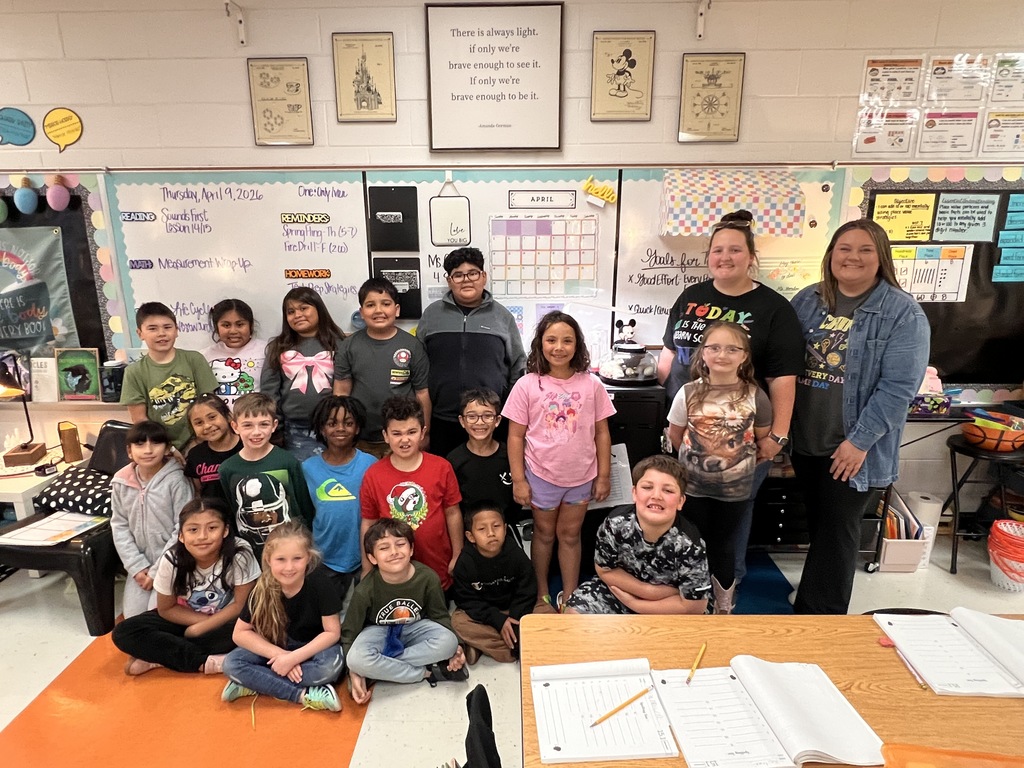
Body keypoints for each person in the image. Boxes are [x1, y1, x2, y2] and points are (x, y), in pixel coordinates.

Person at [656, 210, 804, 585]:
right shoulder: (691, 296)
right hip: (689, 438)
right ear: (709, 256)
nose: (725, 257)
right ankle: (685, 589)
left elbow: (783, 378)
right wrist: (670, 411)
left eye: (735, 249)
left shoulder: (774, 309)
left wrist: (777, 437)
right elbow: (670, 355)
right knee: (685, 517)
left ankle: (724, 597)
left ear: (751, 257)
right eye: (718, 249)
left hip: (739, 444)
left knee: (729, 527)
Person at [790, 219, 929, 615]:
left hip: (853, 447)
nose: (853, 257)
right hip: (808, 439)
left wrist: (860, 441)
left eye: (865, 249)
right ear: (831, 254)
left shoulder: (902, 313)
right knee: (822, 525)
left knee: (838, 531)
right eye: (844, 248)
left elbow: (899, 388)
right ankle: (817, 591)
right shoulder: (808, 300)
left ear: (881, 257)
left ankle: (820, 618)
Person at [502, 311, 615, 609]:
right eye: (551, 340)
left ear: (577, 345)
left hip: (581, 478)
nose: (559, 347)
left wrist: (603, 476)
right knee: (543, 534)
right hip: (541, 477)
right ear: (540, 344)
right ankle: (540, 593)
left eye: (567, 340)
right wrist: (519, 480)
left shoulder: (591, 385)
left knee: (570, 535)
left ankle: (571, 592)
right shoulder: (527, 384)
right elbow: (515, 436)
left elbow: (602, 433)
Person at [666, 321, 772, 613]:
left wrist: (736, 465)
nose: (722, 354)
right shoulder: (687, 392)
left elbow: (763, 442)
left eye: (732, 348)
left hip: (734, 491)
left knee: (724, 545)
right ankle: (690, 601)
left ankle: (723, 605)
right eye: (714, 347)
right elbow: (675, 436)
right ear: (703, 353)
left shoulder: (756, 396)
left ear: (744, 356)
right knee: (691, 543)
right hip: (693, 488)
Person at [112, 498, 260, 676]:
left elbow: (240, 605)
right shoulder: (172, 559)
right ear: (181, 535)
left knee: (252, 630)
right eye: (193, 530)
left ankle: (161, 657)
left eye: (212, 528)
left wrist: (201, 629)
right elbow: (167, 609)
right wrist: (200, 625)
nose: (202, 536)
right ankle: (205, 662)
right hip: (186, 617)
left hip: (226, 620)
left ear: (225, 530)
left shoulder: (239, 553)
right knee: (124, 632)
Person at [342, 518, 467, 706]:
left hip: (415, 627)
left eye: (400, 544)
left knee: (448, 642)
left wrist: (457, 647)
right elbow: (349, 632)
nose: (394, 552)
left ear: (411, 549)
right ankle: (425, 672)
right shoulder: (364, 590)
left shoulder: (427, 578)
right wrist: (352, 671)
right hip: (379, 631)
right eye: (384, 548)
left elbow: (439, 615)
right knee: (355, 659)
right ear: (372, 558)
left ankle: (381, 668)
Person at [221, 521, 344, 712]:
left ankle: (256, 681)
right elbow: (240, 633)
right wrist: (283, 657)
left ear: (308, 558)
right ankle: (301, 695)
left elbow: (332, 632)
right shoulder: (263, 587)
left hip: (313, 650)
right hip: (277, 649)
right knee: (231, 664)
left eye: (297, 558)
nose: (289, 567)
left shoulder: (320, 583)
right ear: (269, 560)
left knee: (330, 668)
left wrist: (294, 658)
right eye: (281, 559)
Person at [416, 247, 526, 457]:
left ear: (483, 277)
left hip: (489, 422)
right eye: (458, 275)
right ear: (449, 281)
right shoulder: (432, 315)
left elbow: (518, 367)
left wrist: (510, 415)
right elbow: (419, 367)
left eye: (473, 273)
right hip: (441, 420)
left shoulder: (502, 317)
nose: (466, 280)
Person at [564, 455, 710, 615]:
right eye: (647, 487)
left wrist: (636, 605)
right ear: (634, 493)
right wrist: (648, 592)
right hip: (622, 592)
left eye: (668, 490)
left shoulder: (691, 546)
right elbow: (604, 570)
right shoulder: (615, 524)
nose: (656, 495)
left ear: (681, 502)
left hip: (668, 607)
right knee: (574, 613)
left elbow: (694, 607)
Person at [359, 396, 463, 592]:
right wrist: (366, 568)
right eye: (396, 433)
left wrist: (458, 555)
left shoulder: (442, 467)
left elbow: (453, 513)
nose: (404, 440)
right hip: (391, 574)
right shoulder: (373, 475)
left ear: (423, 433)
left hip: (438, 570)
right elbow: (368, 523)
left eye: (411, 432)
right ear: (386, 436)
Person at [333, 277, 430, 458]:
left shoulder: (412, 345)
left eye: (386, 304)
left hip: (402, 437)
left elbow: (422, 393)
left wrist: (425, 432)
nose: (378, 310)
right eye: (370, 305)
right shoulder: (349, 345)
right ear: (361, 312)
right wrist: (342, 427)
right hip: (360, 437)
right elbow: (341, 391)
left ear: (397, 309)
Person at [111, 420, 195, 617]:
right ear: (129, 451)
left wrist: (157, 571)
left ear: (167, 449)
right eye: (140, 444)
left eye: (155, 443)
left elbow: (183, 528)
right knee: (133, 618)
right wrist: (136, 567)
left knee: (157, 615)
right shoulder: (121, 482)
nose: (148, 450)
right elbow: (119, 525)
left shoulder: (176, 481)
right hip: (140, 566)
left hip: (172, 563)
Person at [218, 393, 315, 560]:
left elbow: (304, 506)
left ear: (274, 425)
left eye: (263, 424)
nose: (256, 432)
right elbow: (232, 509)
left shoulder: (287, 461)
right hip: (251, 554)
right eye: (247, 425)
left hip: (290, 548)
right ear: (235, 426)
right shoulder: (227, 469)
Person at [451, 501, 550, 664]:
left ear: (504, 529)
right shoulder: (465, 563)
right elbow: (466, 600)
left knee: (547, 612)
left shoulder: (516, 554)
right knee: (458, 622)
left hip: (516, 609)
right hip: (487, 614)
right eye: (482, 529)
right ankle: (521, 646)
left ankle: (489, 647)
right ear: (470, 536)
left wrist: (516, 621)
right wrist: (498, 621)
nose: (491, 533)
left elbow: (527, 591)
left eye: (496, 526)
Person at [302, 395, 376, 604]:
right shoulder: (308, 468)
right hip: (324, 558)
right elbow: (306, 514)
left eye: (348, 423)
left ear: (358, 428)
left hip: (364, 557)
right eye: (332, 423)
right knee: (327, 615)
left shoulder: (370, 465)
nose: (340, 429)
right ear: (322, 428)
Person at [261, 287, 346, 461]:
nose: (297, 314)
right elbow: (270, 390)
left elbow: (347, 383)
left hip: (334, 426)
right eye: (291, 311)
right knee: (303, 478)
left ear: (318, 309)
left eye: (303, 308)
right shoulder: (278, 347)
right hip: (294, 429)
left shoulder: (339, 343)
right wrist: (276, 425)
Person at [121, 301, 219, 451]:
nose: (162, 333)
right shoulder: (134, 372)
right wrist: (169, 449)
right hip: (160, 447)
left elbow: (209, 404)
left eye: (167, 327)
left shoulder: (194, 359)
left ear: (176, 330)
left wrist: (198, 442)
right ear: (140, 333)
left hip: (202, 441)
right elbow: (140, 420)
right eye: (152, 329)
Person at [446, 389, 520, 530]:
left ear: (497, 420)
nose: (479, 422)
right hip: (468, 532)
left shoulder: (510, 455)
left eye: (487, 416)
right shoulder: (454, 460)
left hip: (505, 529)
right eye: (472, 416)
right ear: (462, 421)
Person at [201, 298, 267, 408]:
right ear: (217, 328)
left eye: (240, 325)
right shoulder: (204, 356)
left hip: (255, 420)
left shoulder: (266, 350)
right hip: (221, 422)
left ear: (251, 326)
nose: (233, 331)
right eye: (226, 325)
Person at [183, 393, 241, 506]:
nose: (207, 426)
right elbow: (198, 491)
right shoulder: (196, 455)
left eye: (212, 417)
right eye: (199, 423)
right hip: (216, 519)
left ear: (228, 416)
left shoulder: (247, 447)